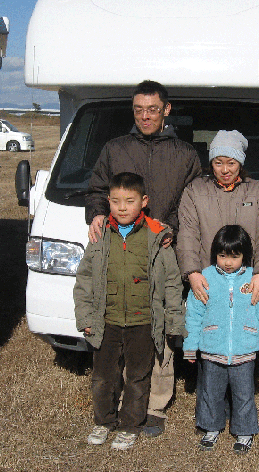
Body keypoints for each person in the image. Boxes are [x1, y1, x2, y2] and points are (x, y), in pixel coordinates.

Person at [84, 80, 201, 436]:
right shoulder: (115, 148)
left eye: (152, 109)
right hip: (121, 250)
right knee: (120, 325)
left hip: (162, 250)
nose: (145, 116)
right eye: (139, 110)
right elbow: (97, 189)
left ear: (166, 110)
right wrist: (97, 213)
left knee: (158, 327)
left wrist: (171, 228)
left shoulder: (184, 154)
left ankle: (155, 406)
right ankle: (118, 400)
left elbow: (192, 201)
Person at [73, 172, 185, 450]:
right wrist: (85, 317)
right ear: (108, 201)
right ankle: (104, 421)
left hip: (143, 322)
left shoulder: (157, 237)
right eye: (115, 201)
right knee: (103, 377)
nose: (122, 207)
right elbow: (84, 279)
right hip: (107, 321)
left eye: (129, 201)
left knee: (137, 377)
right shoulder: (100, 235)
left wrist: (173, 321)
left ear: (143, 201)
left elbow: (172, 282)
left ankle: (130, 425)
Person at [183, 225, 259, 454]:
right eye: (222, 256)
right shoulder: (206, 277)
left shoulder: (254, 279)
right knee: (210, 393)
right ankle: (210, 428)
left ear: (245, 255)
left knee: (244, 394)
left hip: (244, 351)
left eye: (234, 257)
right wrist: (190, 346)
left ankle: (244, 431)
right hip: (212, 349)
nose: (227, 262)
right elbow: (194, 315)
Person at [177, 129, 259, 305]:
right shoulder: (194, 191)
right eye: (218, 163)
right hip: (207, 282)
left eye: (231, 163)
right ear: (211, 163)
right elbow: (187, 235)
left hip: (247, 283)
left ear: (240, 163)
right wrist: (192, 273)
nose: (225, 170)